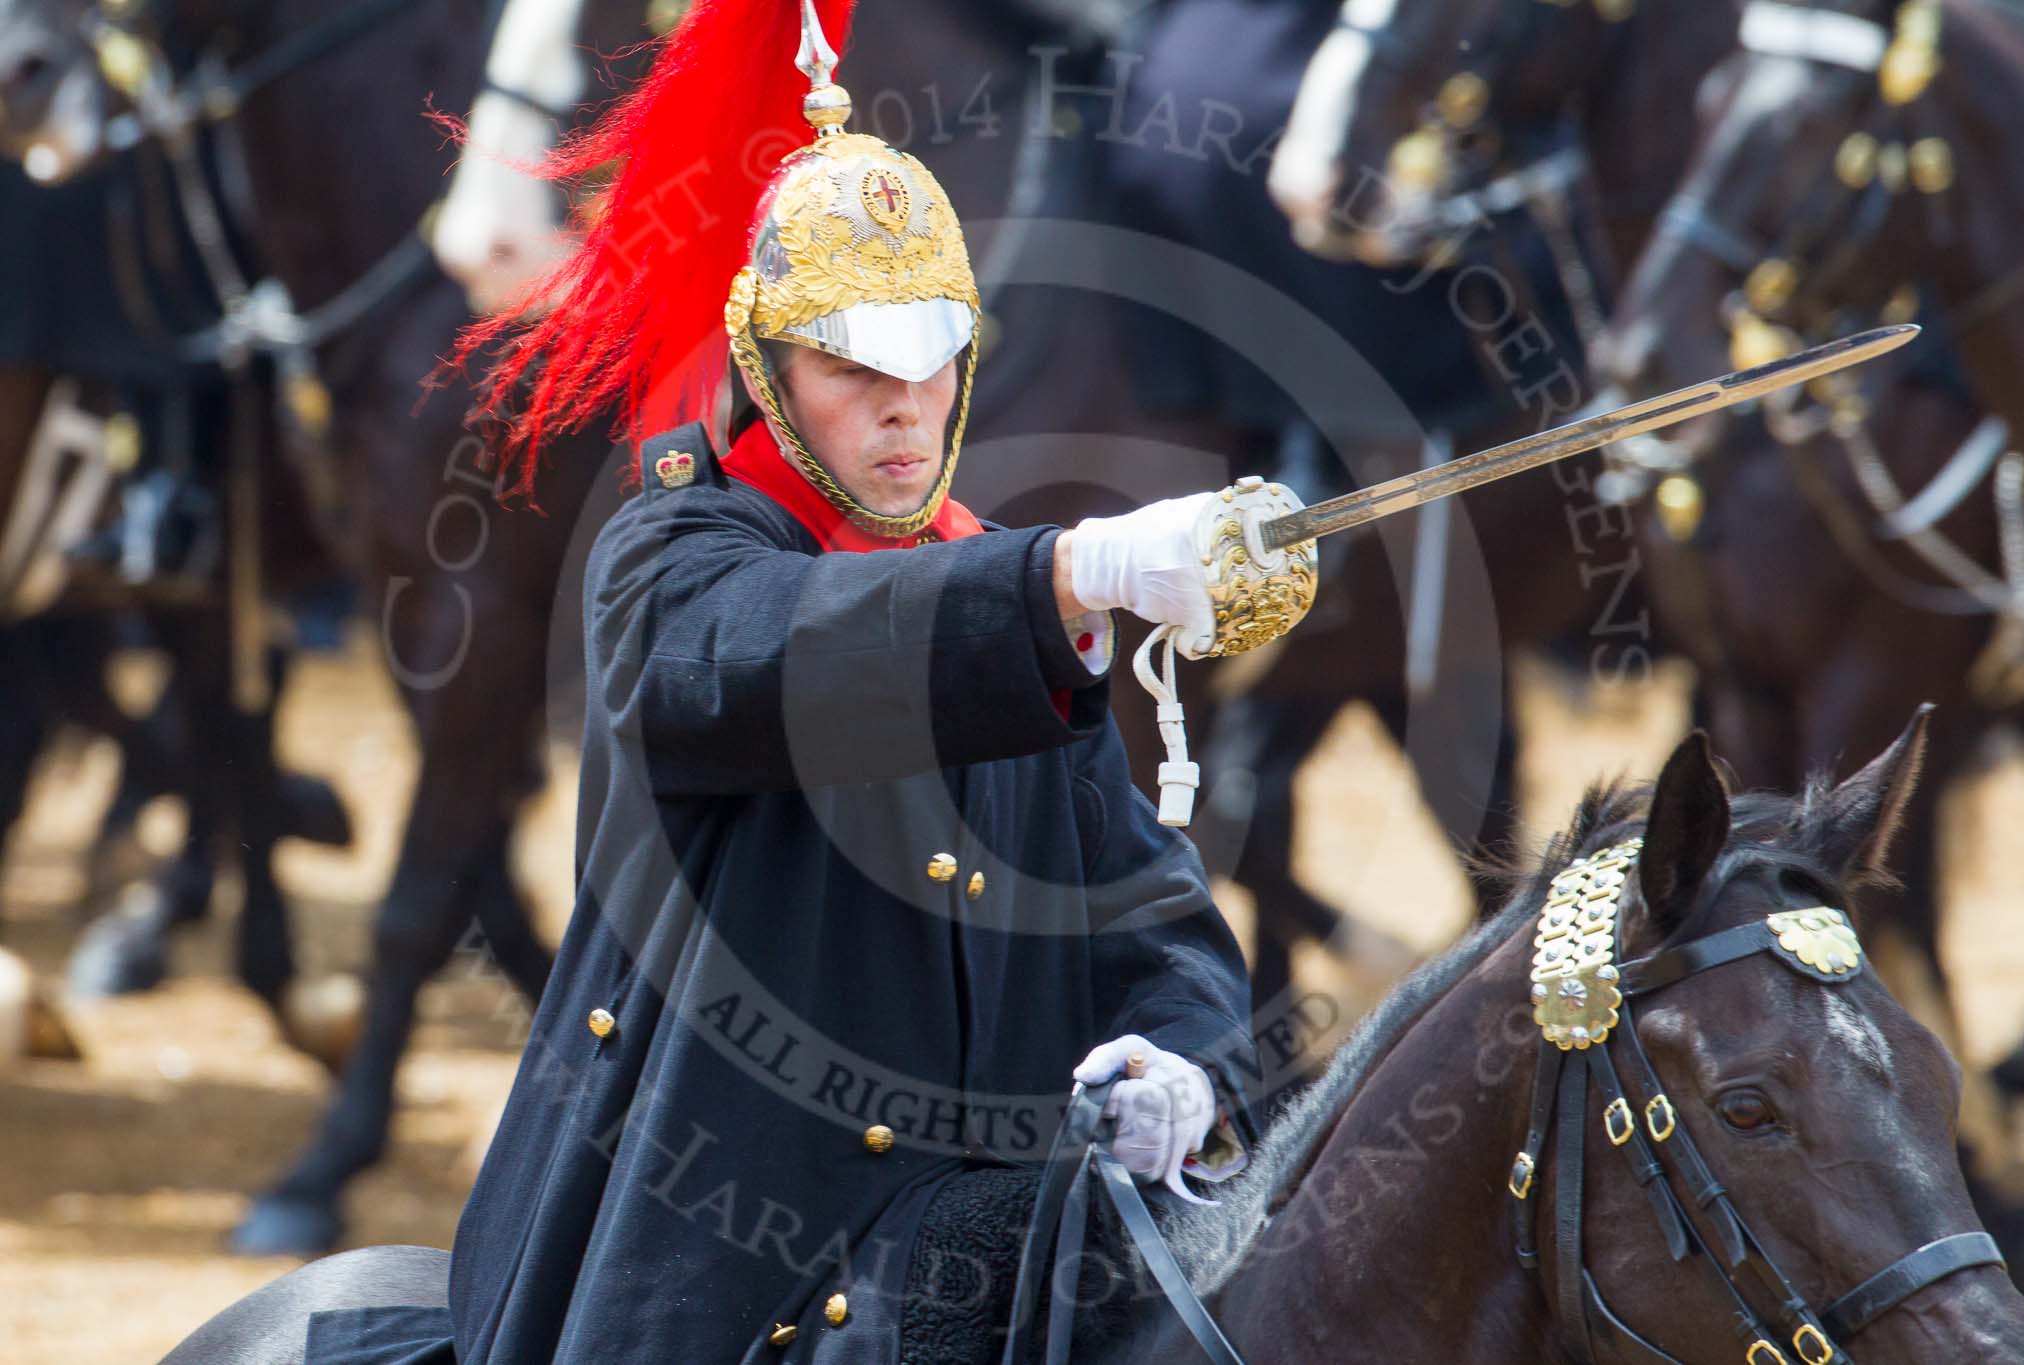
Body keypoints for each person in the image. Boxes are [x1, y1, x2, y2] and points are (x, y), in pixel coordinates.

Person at [300, 2, 1289, 1360]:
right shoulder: (674, 553)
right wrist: (1071, 573)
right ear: (764, 370)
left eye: (932, 354)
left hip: (978, 1238)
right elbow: (783, 654)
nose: (903, 402)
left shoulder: (999, 588)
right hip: (715, 1260)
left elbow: (1152, 913)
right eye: (851, 364)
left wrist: (1182, 1059)